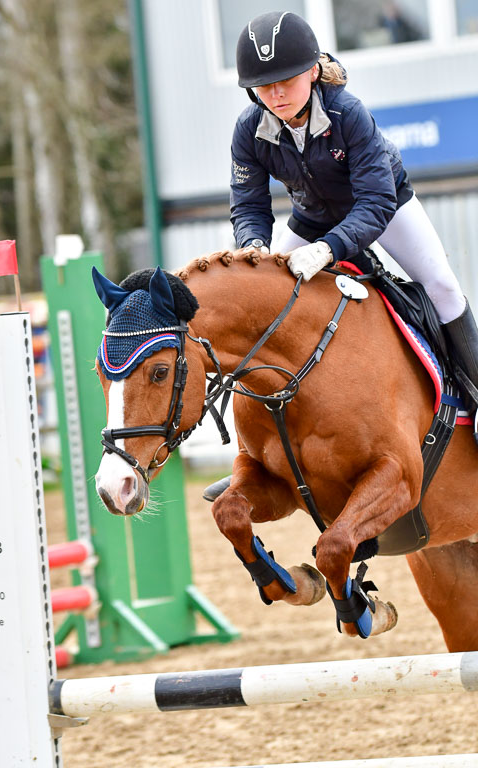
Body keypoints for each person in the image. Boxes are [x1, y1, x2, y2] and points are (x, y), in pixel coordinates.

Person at [205, 9, 478, 500]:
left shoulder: (348, 112)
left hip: (385, 205)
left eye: (286, 81)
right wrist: (252, 249)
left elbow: (375, 203)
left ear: (312, 71)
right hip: (312, 216)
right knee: (262, 303)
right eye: (264, 87)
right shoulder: (250, 129)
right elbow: (248, 205)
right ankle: (256, 454)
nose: (277, 95)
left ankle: (477, 400)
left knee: (442, 286)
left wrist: (329, 249)